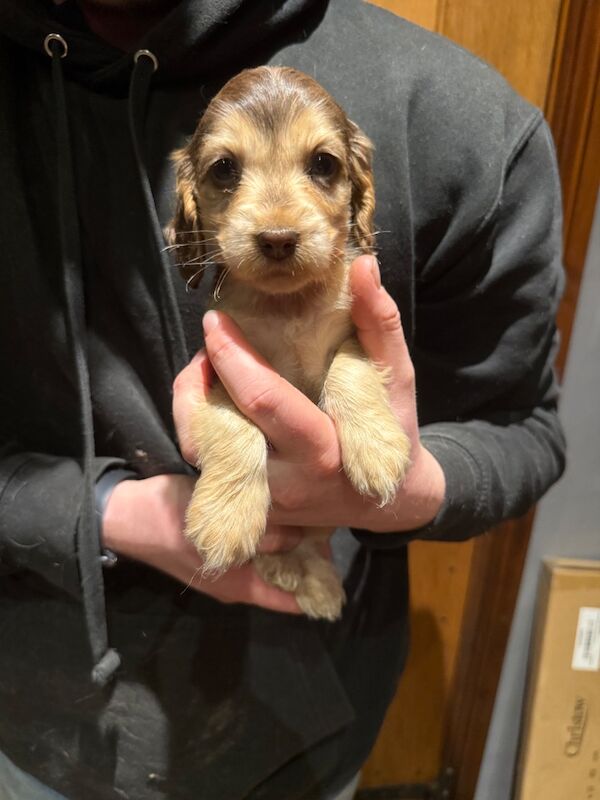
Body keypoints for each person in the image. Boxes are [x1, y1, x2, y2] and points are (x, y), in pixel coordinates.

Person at [0, 1, 566, 798]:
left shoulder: (462, 119)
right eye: (226, 172)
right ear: (191, 202)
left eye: (322, 168)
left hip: (314, 731)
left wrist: (417, 487)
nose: (274, 224)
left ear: (358, 192)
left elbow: (525, 429)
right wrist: (102, 512)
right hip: (38, 720)